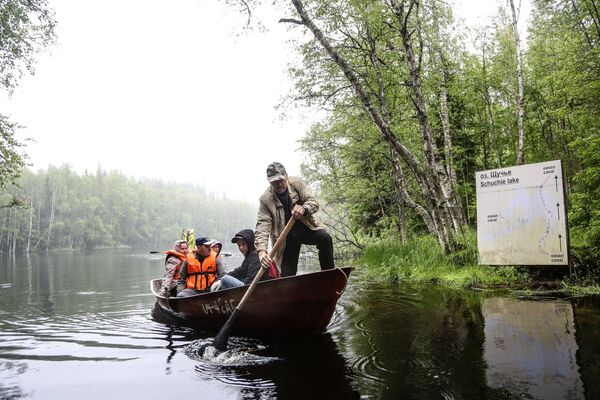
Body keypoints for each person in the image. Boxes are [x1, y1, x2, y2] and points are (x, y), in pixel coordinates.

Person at [255, 161, 334, 277]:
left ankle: (329, 277)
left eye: (280, 180)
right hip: (286, 238)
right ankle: (290, 292)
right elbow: (262, 226)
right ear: (269, 181)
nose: (278, 184)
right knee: (287, 276)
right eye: (274, 182)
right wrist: (261, 251)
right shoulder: (265, 199)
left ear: (286, 175)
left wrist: (304, 209)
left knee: (325, 238)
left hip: (306, 228)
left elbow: (313, 202)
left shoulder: (296, 183)